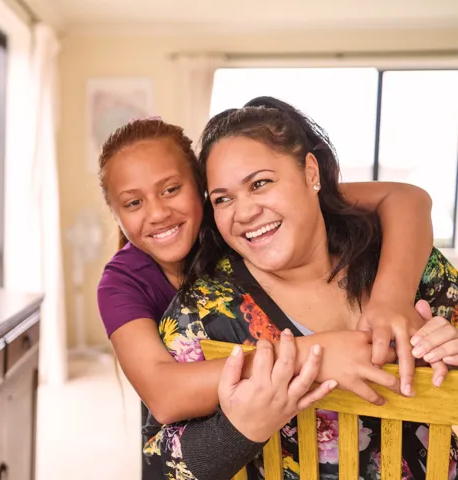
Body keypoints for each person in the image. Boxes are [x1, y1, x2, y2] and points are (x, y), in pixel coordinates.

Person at [96, 118, 441, 477]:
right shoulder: (124, 283)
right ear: (115, 215)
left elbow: (405, 198)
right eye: (133, 203)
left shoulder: (238, 215)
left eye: (170, 189)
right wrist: (311, 356)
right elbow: (165, 397)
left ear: (201, 189)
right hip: (185, 397)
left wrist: (391, 298)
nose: (157, 213)